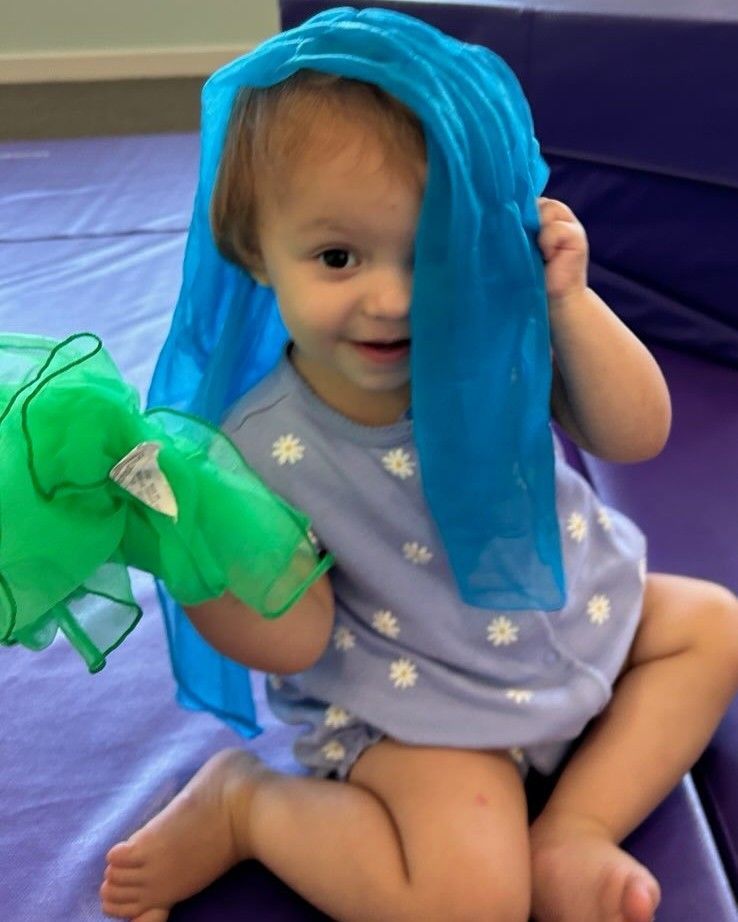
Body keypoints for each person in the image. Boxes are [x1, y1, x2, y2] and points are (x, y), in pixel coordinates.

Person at [100, 13, 738, 922]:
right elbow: (295, 639)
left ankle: (575, 830)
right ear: (255, 253)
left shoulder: (498, 339)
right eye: (336, 257)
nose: (393, 299)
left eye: (433, 252)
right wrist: (193, 543)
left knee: (713, 625)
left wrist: (572, 303)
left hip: (575, 617)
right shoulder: (257, 444)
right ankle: (249, 808)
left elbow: (636, 435)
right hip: (417, 697)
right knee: (467, 900)